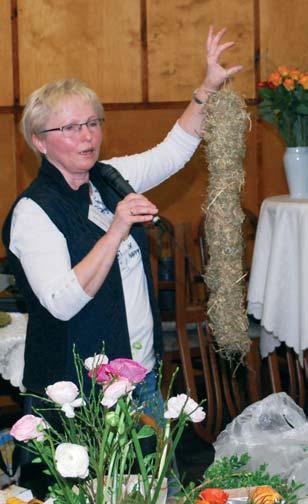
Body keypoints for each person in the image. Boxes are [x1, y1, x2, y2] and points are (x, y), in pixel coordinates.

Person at [2, 26, 242, 406]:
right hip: (78, 393)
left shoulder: (108, 176)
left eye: (93, 122)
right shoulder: (34, 211)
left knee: (153, 469)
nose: (87, 136)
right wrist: (117, 228)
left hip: (140, 375)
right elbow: (61, 302)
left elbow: (173, 152)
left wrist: (207, 88)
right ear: (39, 141)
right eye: (69, 127)